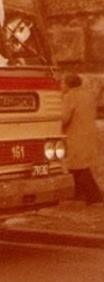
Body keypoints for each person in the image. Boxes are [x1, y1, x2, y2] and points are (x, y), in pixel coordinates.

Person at [61, 73, 102, 204]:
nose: (61, 86)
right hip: (89, 134)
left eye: (62, 83)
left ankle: (94, 195)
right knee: (78, 166)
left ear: (68, 84)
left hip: (75, 136)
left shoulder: (70, 96)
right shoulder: (88, 95)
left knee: (78, 167)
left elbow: (64, 118)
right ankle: (78, 193)